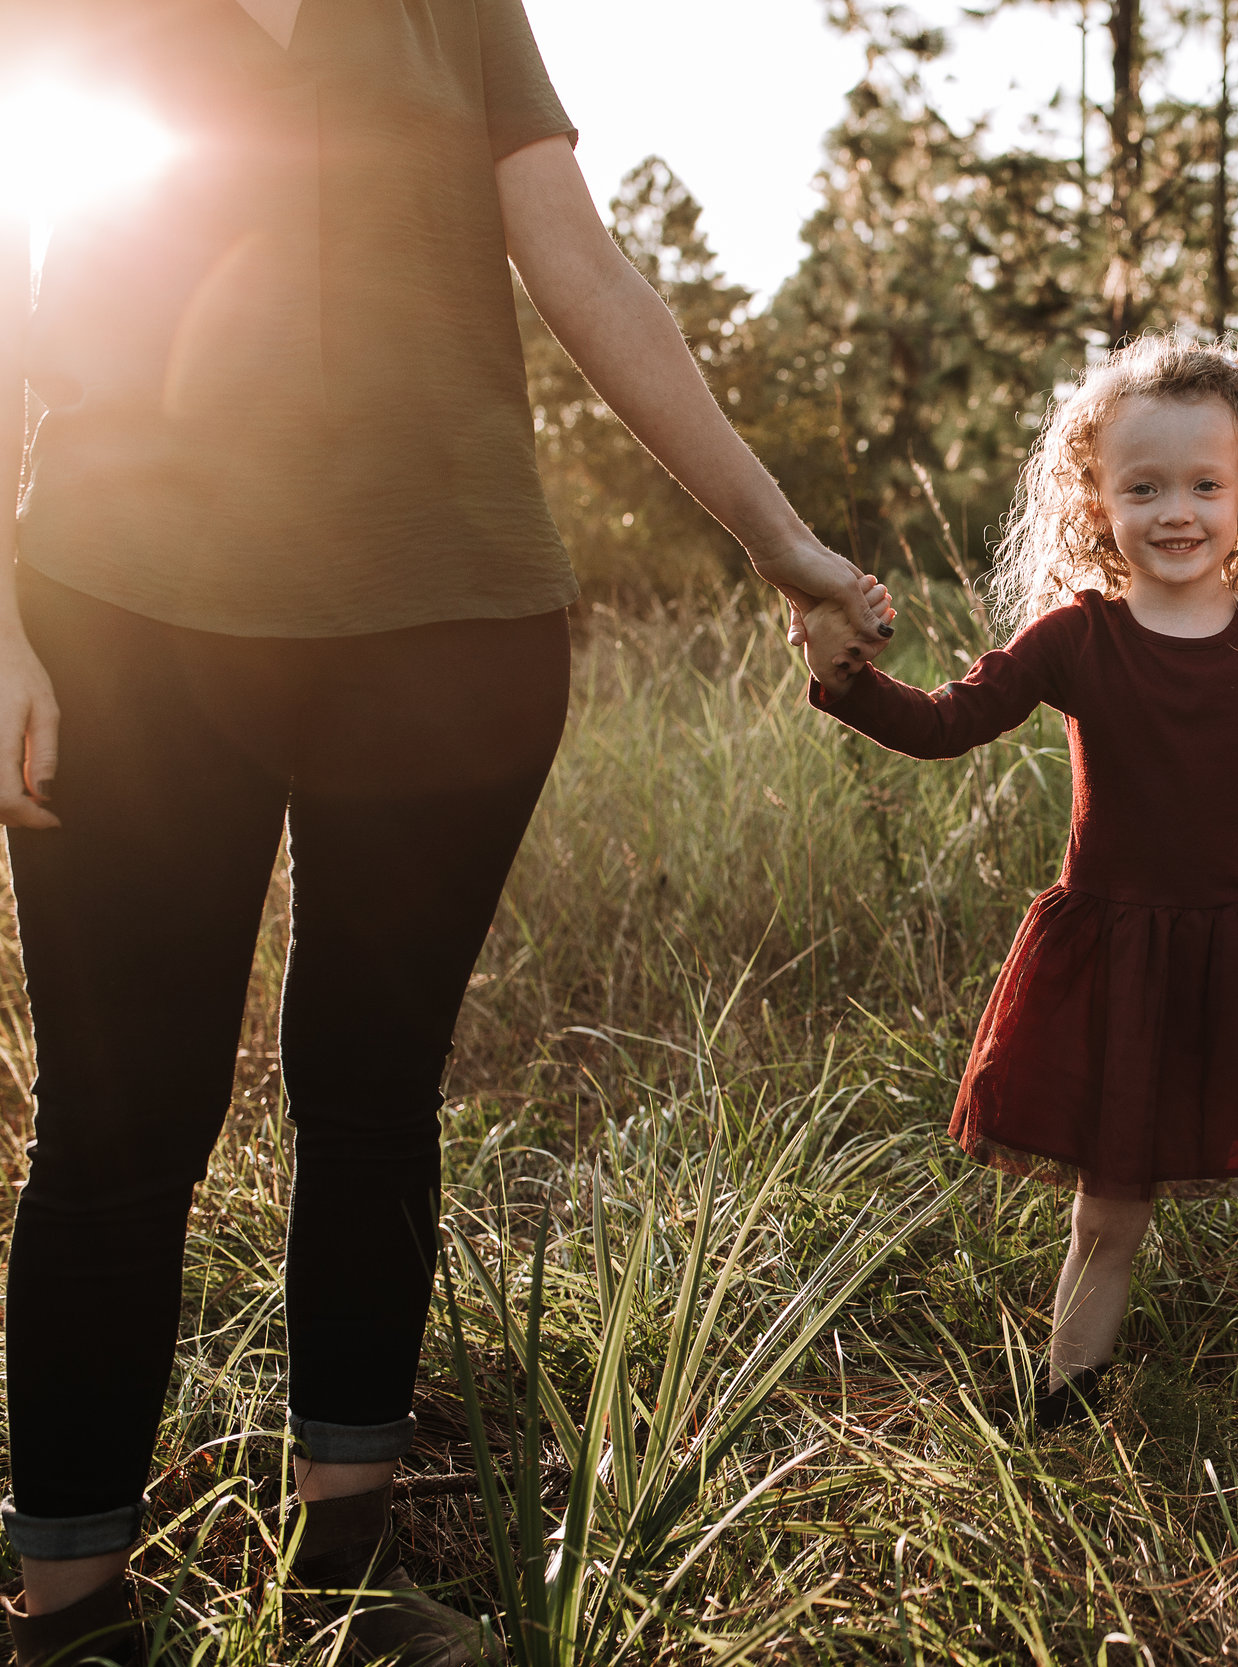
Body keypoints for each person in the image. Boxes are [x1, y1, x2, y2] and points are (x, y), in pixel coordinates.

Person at [0, 2, 884, 1662]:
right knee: (120, 1123)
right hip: (123, 617)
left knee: (371, 1085)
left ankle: (348, 1578)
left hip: (446, 620)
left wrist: (782, 540)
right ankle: (70, 1614)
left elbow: (583, 265)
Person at [797, 336, 1238, 1443]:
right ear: (1095, 499)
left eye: (1206, 485)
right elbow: (943, 726)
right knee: (1109, 1206)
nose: (1178, 510)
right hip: (1126, 962)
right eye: (1144, 486)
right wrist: (845, 675)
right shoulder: (1078, 636)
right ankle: (1064, 1404)